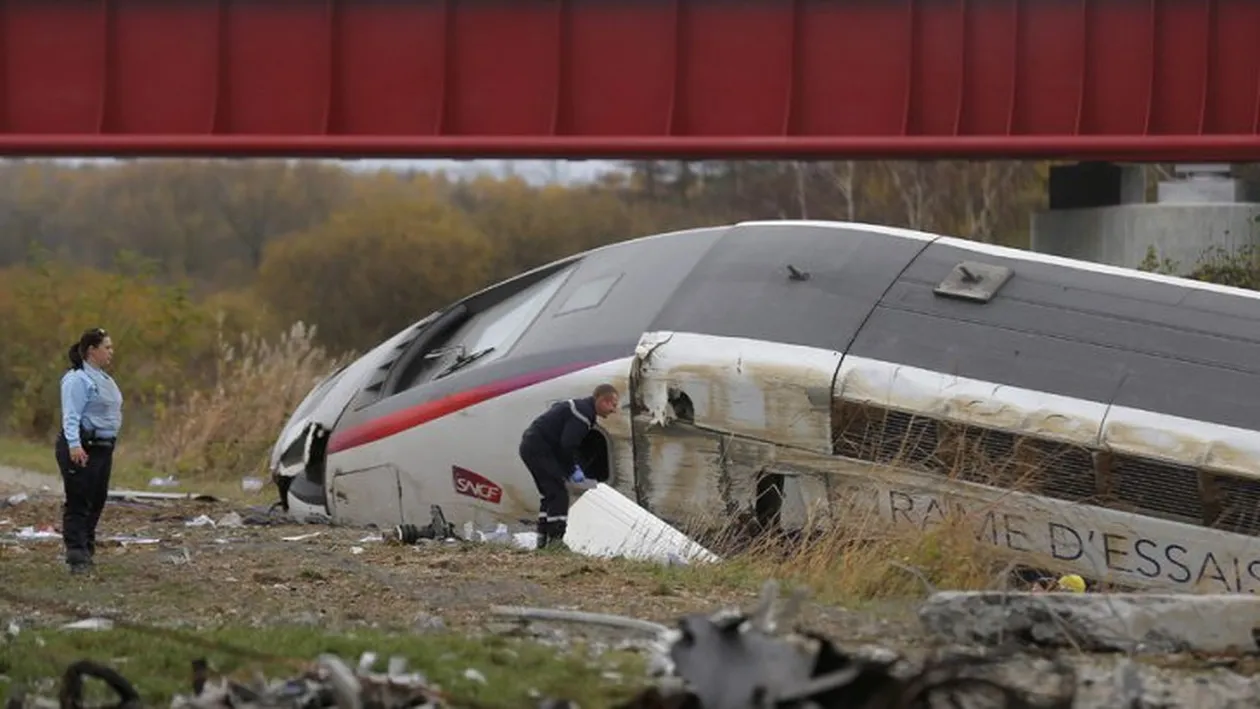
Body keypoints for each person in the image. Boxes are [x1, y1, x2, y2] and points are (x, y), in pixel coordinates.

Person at [55, 327, 124, 575]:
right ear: (92, 351)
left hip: (103, 448)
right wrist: (74, 445)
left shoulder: (104, 379)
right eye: (107, 347)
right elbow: (71, 416)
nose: (111, 352)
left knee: (97, 499)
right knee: (79, 500)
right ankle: (76, 554)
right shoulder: (77, 379)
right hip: (83, 446)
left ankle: (87, 547)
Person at [518, 383, 620, 549]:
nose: (614, 410)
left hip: (531, 446)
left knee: (549, 494)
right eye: (613, 405)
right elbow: (568, 444)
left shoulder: (579, 407)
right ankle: (556, 540)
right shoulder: (583, 415)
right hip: (540, 450)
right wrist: (572, 469)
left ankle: (542, 540)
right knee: (559, 493)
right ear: (602, 400)